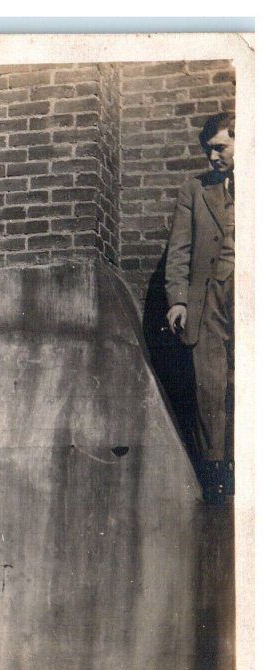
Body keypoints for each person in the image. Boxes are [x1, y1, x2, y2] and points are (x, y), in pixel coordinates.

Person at [165, 112, 235, 504]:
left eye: (220, 148)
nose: (212, 157)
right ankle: (215, 476)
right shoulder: (195, 189)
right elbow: (179, 250)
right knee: (210, 385)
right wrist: (178, 300)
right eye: (208, 150)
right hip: (207, 300)